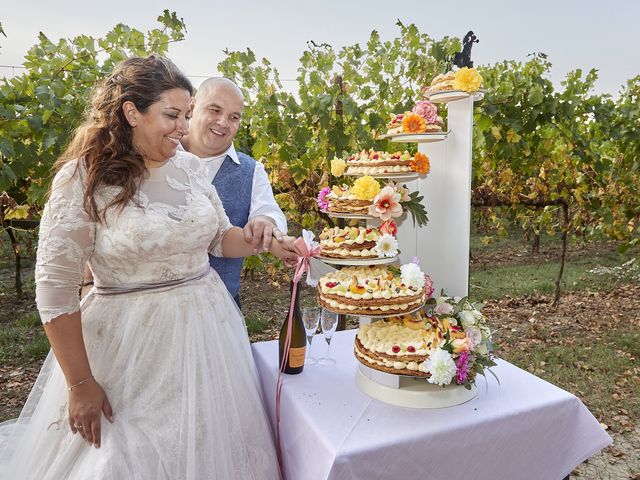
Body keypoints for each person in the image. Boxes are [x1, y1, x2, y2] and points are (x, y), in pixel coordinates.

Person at [0, 55, 283, 479]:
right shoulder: (83, 178)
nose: (183, 129)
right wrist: (80, 384)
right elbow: (55, 290)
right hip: (126, 350)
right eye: (171, 115)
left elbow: (219, 239)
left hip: (208, 333)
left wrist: (266, 242)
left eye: (186, 115)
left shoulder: (188, 168)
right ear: (132, 112)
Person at [181, 77, 291, 305]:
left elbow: (270, 211)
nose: (223, 122)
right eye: (215, 110)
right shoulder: (161, 154)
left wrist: (265, 220)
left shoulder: (250, 170)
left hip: (222, 308)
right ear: (192, 107)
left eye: (234, 117)